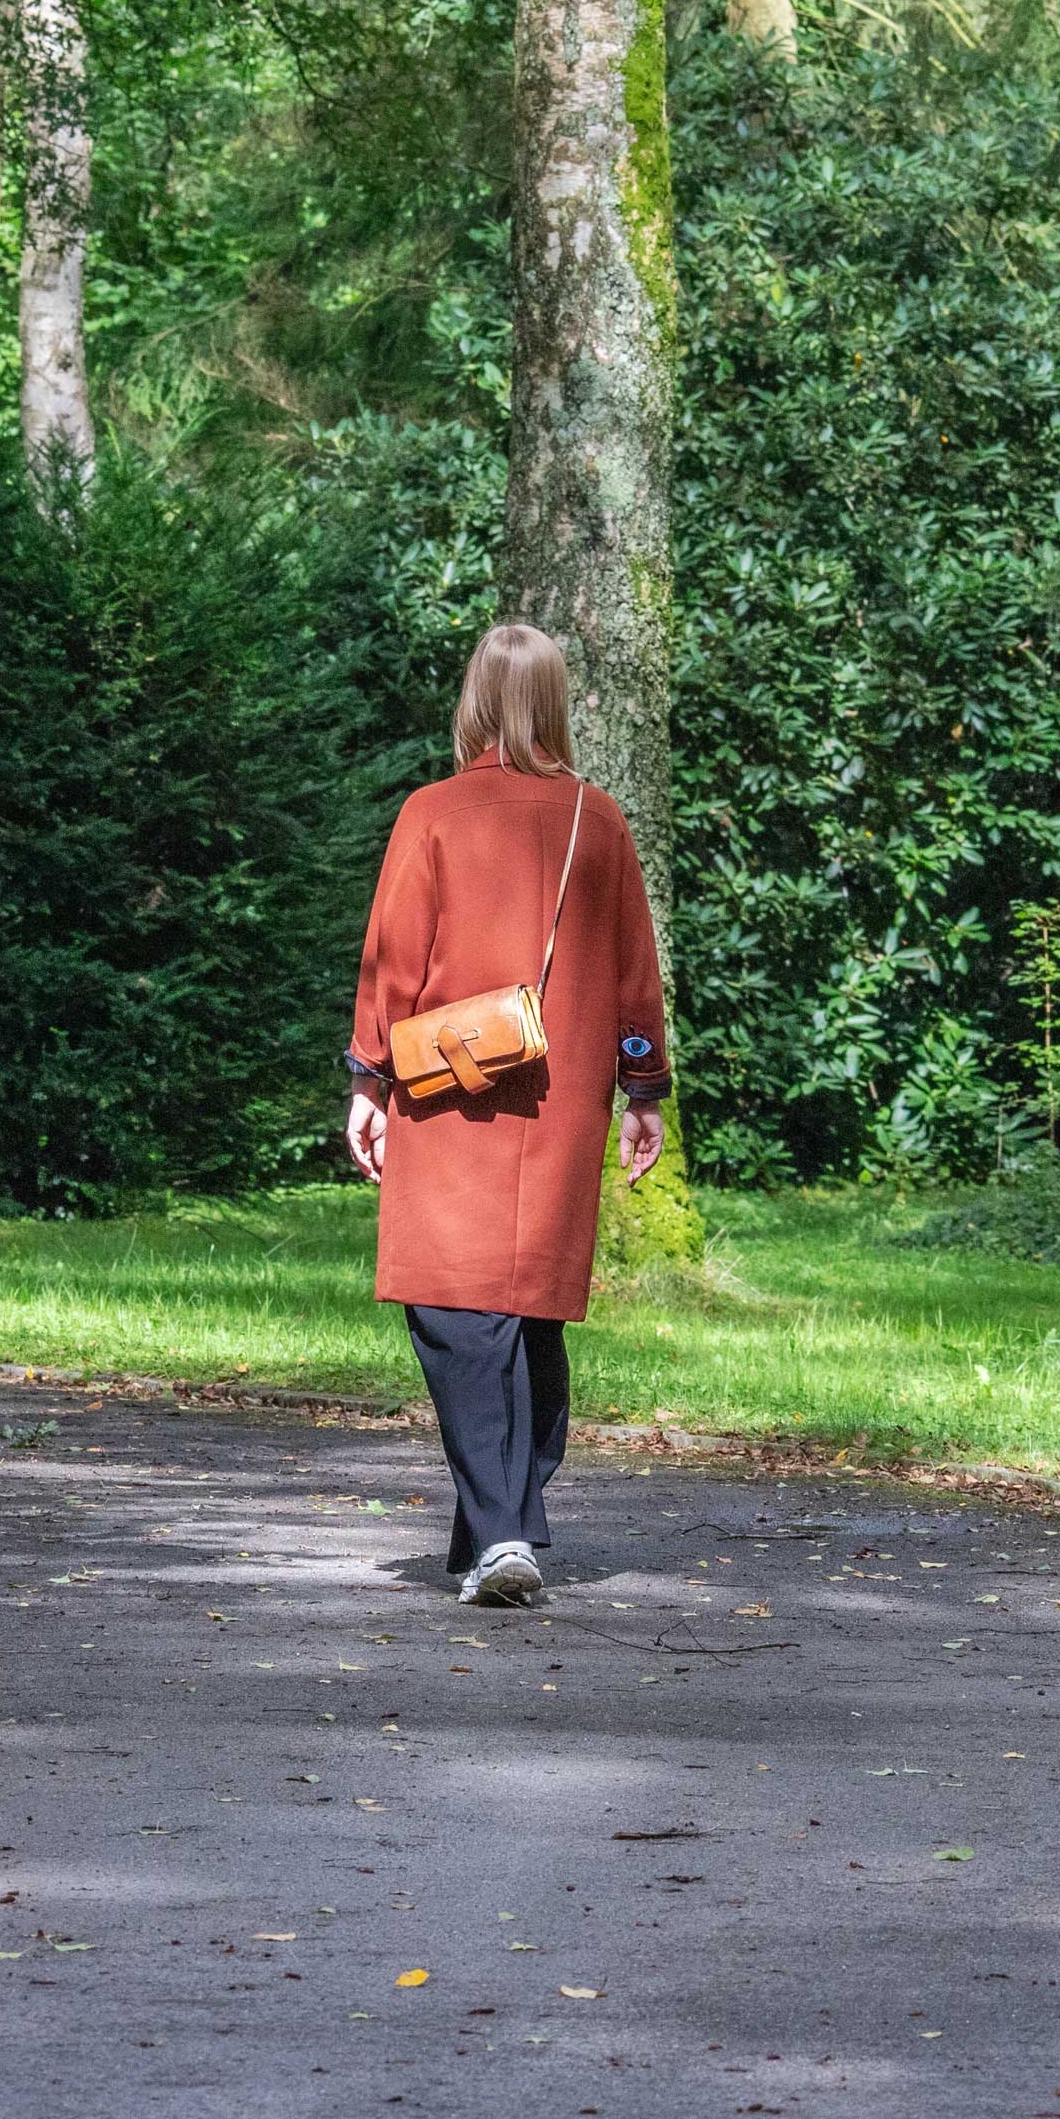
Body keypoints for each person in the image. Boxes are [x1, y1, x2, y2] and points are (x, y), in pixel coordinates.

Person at [344, 622, 672, 1606]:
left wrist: (369, 1080)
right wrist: (642, 1090)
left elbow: (392, 963)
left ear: (477, 702)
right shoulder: (598, 820)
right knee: (523, 1310)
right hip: (561, 1095)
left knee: (454, 1306)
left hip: (453, 1090)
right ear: (557, 703)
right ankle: (505, 1521)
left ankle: (499, 1536)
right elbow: (633, 974)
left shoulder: (432, 814)